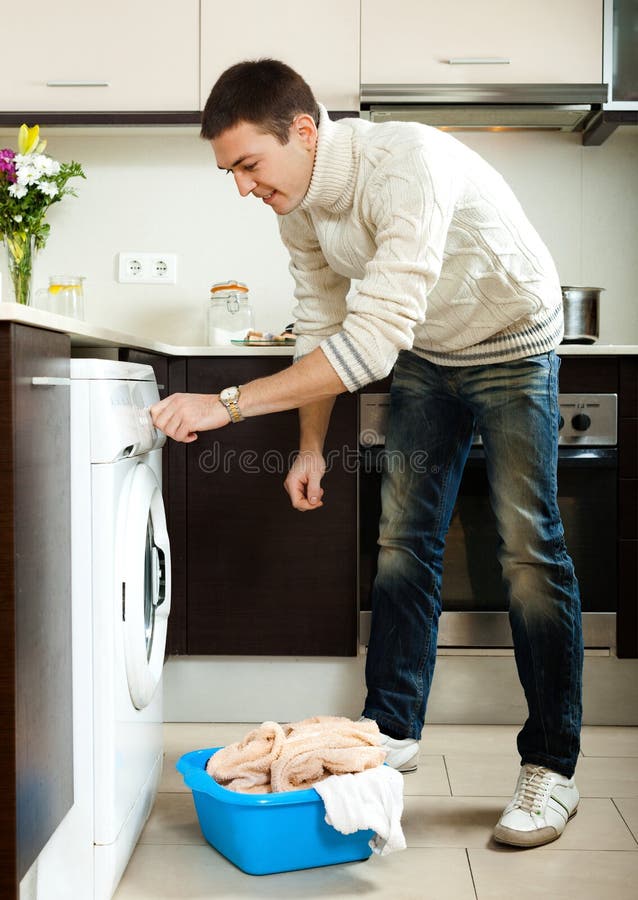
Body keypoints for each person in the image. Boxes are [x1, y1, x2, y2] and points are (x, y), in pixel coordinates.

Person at [150, 59, 583, 849]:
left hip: (514, 344)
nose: (242, 187)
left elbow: (373, 341)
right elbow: (323, 328)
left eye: (249, 164)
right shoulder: (298, 206)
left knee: (526, 548)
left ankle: (552, 767)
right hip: (427, 350)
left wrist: (228, 404)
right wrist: (310, 446)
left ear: (303, 131)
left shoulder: (405, 163)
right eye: (230, 172)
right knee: (401, 546)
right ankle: (388, 731)